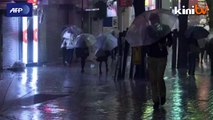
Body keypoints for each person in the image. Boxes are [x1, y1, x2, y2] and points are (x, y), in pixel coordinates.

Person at [146, 13, 173, 109]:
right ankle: (155, 100)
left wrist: (165, 44)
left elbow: (170, 41)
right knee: (153, 80)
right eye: (151, 20)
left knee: (159, 77)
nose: (153, 22)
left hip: (162, 56)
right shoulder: (148, 29)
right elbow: (146, 41)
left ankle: (162, 95)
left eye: (154, 19)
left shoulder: (165, 28)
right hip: (151, 56)